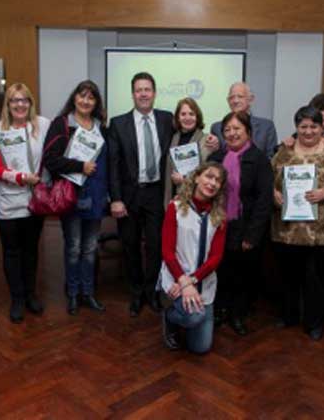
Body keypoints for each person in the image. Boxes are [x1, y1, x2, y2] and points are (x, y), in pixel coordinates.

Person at [271, 106, 324, 340]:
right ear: (296, 128)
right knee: (289, 275)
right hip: (288, 229)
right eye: (303, 127)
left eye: (313, 126)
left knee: (317, 278)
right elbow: (269, 178)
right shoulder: (284, 151)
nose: (308, 131)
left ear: (322, 127)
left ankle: (314, 322)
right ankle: (289, 315)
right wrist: (274, 194)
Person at [108, 72, 174, 317]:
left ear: (154, 93)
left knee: (156, 246)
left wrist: (209, 142)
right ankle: (136, 293)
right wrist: (115, 198)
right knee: (130, 245)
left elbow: (189, 133)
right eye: (139, 90)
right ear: (133, 94)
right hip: (129, 194)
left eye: (147, 89)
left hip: (157, 193)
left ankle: (152, 292)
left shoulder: (167, 119)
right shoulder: (118, 124)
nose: (143, 94)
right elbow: (113, 164)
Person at [43, 80, 108, 315]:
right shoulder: (61, 124)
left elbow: (106, 163)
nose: (86, 101)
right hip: (71, 197)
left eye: (91, 98)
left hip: (96, 197)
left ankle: (87, 293)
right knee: (73, 247)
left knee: (90, 248)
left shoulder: (101, 127)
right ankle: (72, 294)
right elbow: (50, 159)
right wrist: (80, 166)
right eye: (82, 96)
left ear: (96, 103)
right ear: (74, 98)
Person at [0, 83, 50, 323]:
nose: (20, 104)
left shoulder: (42, 125)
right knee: (11, 252)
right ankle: (16, 298)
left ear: (31, 103)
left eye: (24, 99)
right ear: (8, 104)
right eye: (14, 100)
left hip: (35, 201)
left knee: (31, 251)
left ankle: (30, 294)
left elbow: (54, 151)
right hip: (7, 202)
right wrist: (19, 177)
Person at [207, 111, 273, 335]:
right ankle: (220, 310)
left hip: (246, 227)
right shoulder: (216, 158)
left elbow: (264, 201)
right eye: (227, 130)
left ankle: (238, 315)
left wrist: (252, 236)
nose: (232, 133)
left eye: (237, 129)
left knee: (243, 274)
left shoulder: (259, 159)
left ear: (247, 132)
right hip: (219, 225)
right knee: (220, 270)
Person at [159, 162, 228, 354]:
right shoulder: (176, 207)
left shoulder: (220, 216)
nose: (212, 183)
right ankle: (170, 316)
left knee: (201, 348)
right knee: (195, 318)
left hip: (201, 281)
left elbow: (216, 257)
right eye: (208, 176)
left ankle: (189, 319)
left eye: (218, 181)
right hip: (176, 278)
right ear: (196, 178)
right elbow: (167, 251)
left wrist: (191, 281)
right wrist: (182, 281)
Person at [163, 97, 214, 207]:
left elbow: (206, 172)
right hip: (171, 197)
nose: (187, 118)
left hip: (195, 200)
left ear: (197, 117)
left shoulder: (206, 141)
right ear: (178, 118)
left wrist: (184, 180)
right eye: (183, 114)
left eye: (191, 114)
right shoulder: (172, 138)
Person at [208, 82, 278, 158]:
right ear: (228, 101)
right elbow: (214, 158)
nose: (235, 101)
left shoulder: (266, 126)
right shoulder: (217, 127)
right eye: (231, 98)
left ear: (251, 99)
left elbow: (272, 157)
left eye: (240, 97)